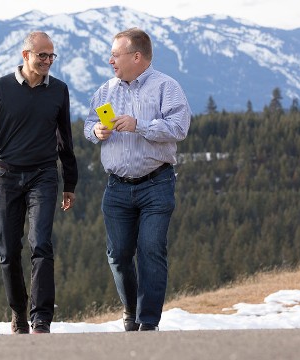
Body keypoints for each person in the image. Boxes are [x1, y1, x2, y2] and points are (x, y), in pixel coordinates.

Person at [0, 31, 78, 334]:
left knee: (41, 243)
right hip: (6, 176)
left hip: (44, 175)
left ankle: (41, 317)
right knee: (8, 249)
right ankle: (18, 312)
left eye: (51, 56)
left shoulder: (59, 90)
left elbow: (65, 139)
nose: (47, 61)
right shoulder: (0, 88)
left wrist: (70, 181)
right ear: (25, 55)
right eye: (42, 55)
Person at [83, 28, 191, 331]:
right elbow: (89, 123)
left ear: (136, 56)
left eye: (115, 55)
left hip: (156, 184)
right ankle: (130, 312)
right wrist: (96, 132)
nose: (110, 60)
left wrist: (139, 125)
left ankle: (148, 322)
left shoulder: (167, 87)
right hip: (116, 187)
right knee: (117, 255)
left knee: (151, 249)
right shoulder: (106, 90)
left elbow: (178, 128)